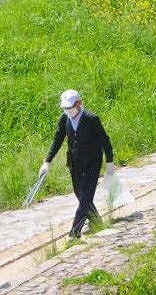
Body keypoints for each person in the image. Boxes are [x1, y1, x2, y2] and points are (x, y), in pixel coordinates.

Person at [39, 90, 115, 238]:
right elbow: (57, 140)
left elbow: (105, 140)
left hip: (93, 162)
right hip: (75, 162)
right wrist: (47, 161)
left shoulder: (91, 118)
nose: (67, 111)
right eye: (65, 108)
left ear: (79, 104)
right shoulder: (64, 119)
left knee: (86, 196)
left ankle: (74, 234)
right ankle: (96, 222)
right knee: (79, 194)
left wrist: (110, 161)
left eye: (70, 107)